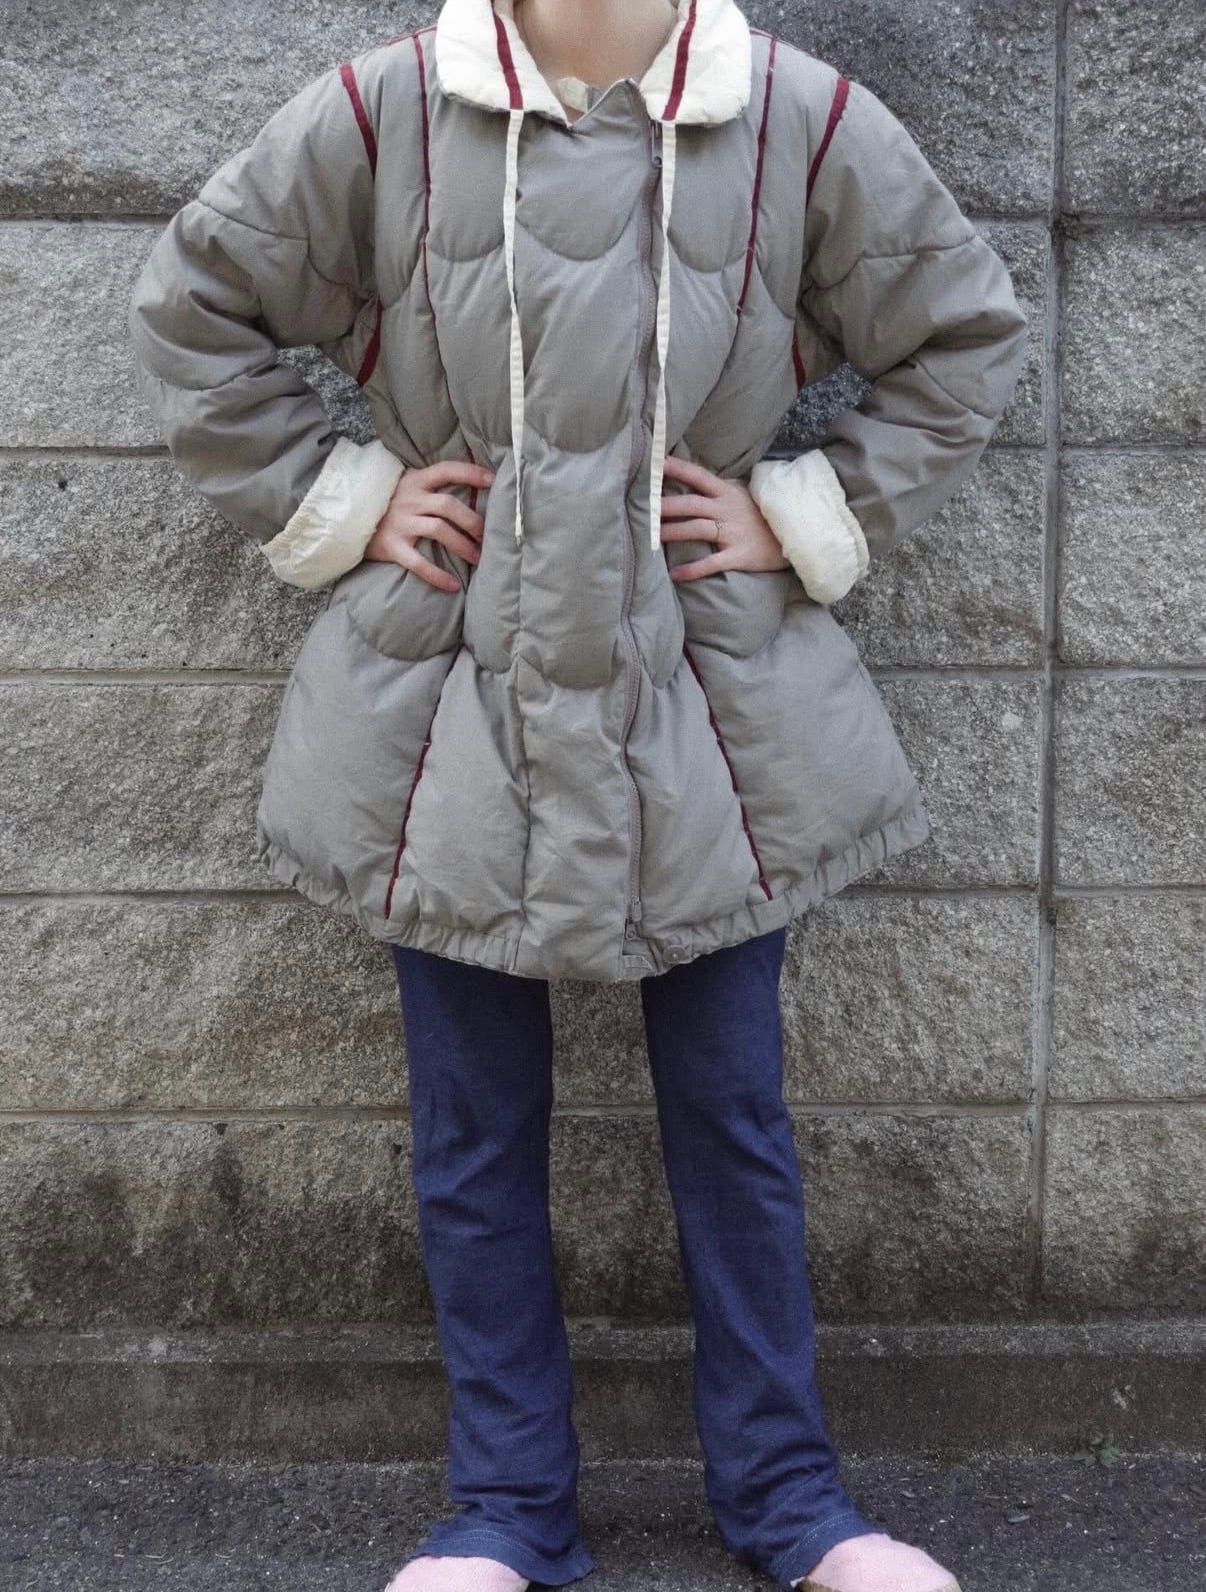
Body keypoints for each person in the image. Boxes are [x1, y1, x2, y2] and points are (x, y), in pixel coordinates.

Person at [127, 1, 1029, 1588]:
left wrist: (800, 511)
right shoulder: (389, 110)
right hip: (449, 709)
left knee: (733, 1122)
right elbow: (193, 303)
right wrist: (343, 497)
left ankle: (791, 1503)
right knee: (472, 1132)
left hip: (711, 713)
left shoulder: (794, 117)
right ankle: (503, 1510)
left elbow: (960, 334)